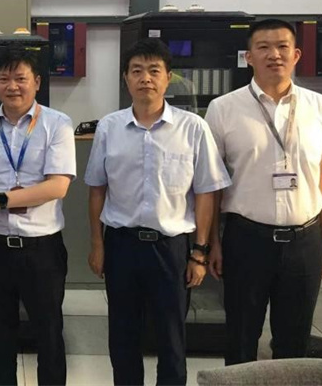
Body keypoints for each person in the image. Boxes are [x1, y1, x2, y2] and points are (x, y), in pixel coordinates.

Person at [85, 38, 230, 386]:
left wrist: (199, 252)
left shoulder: (193, 127)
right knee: (122, 336)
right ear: (126, 78)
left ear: (168, 78)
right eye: (137, 71)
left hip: (171, 248)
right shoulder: (109, 127)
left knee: (171, 338)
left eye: (154, 71)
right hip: (121, 245)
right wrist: (97, 245)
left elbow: (206, 192)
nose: (145, 78)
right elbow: (97, 189)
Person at [205, 19, 322, 365]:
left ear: (296, 55)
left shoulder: (320, 107)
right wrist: (213, 243)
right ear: (248, 56)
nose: (274, 55)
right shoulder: (223, 109)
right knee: (240, 337)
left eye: (282, 47)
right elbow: (212, 183)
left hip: (305, 240)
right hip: (246, 239)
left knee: (294, 342)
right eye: (264, 47)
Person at [0, 47, 75, 386]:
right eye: (4, 79)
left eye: (20, 78)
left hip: (41, 250)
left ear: (36, 82)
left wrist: (0, 200)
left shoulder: (57, 124)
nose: (12, 86)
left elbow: (58, 186)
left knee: (48, 335)